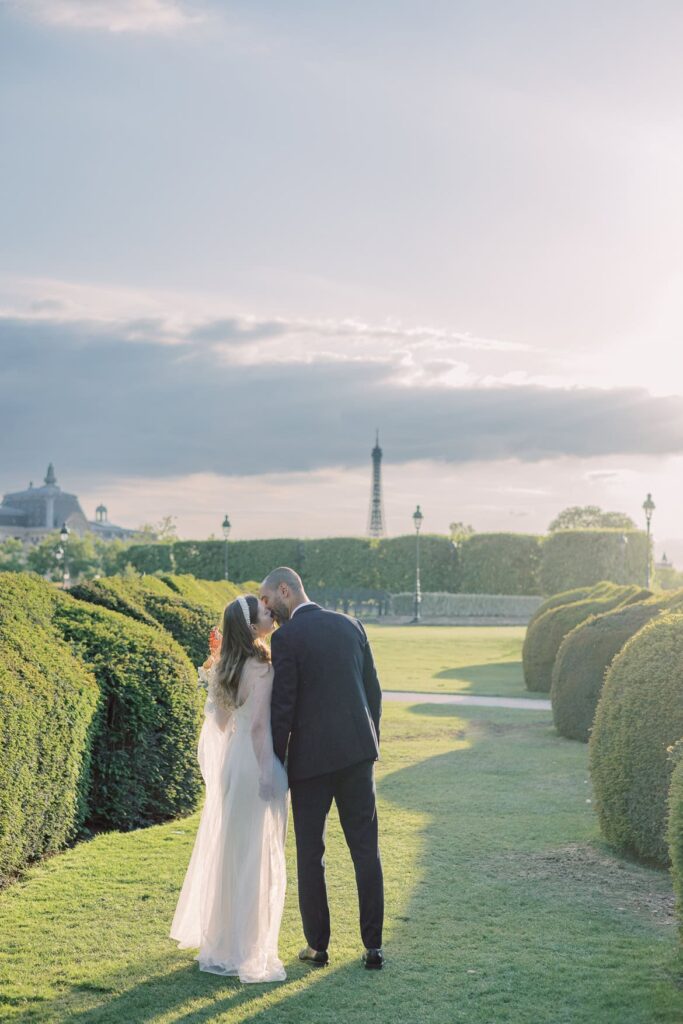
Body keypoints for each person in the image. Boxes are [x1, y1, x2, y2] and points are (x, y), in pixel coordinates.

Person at [260, 567, 384, 971]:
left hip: (310, 765)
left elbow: (283, 709)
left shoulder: (286, 638)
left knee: (311, 854)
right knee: (366, 849)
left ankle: (318, 946)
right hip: (356, 756)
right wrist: (369, 743)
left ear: (285, 590)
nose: (267, 609)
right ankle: (373, 947)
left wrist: (275, 764)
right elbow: (373, 693)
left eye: (267, 600)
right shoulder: (352, 625)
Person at [170, 594, 289, 983]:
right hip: (256, 763)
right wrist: (268, 773)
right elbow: (257, 727)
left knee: (232, 850)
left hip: (231, 767)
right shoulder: (261, 666)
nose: (270, 615)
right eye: (265, 613)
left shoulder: (227, 668)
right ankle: (248, 947)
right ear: (253, 627)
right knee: (256, 853)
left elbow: (221, 724)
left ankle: (223, 941)